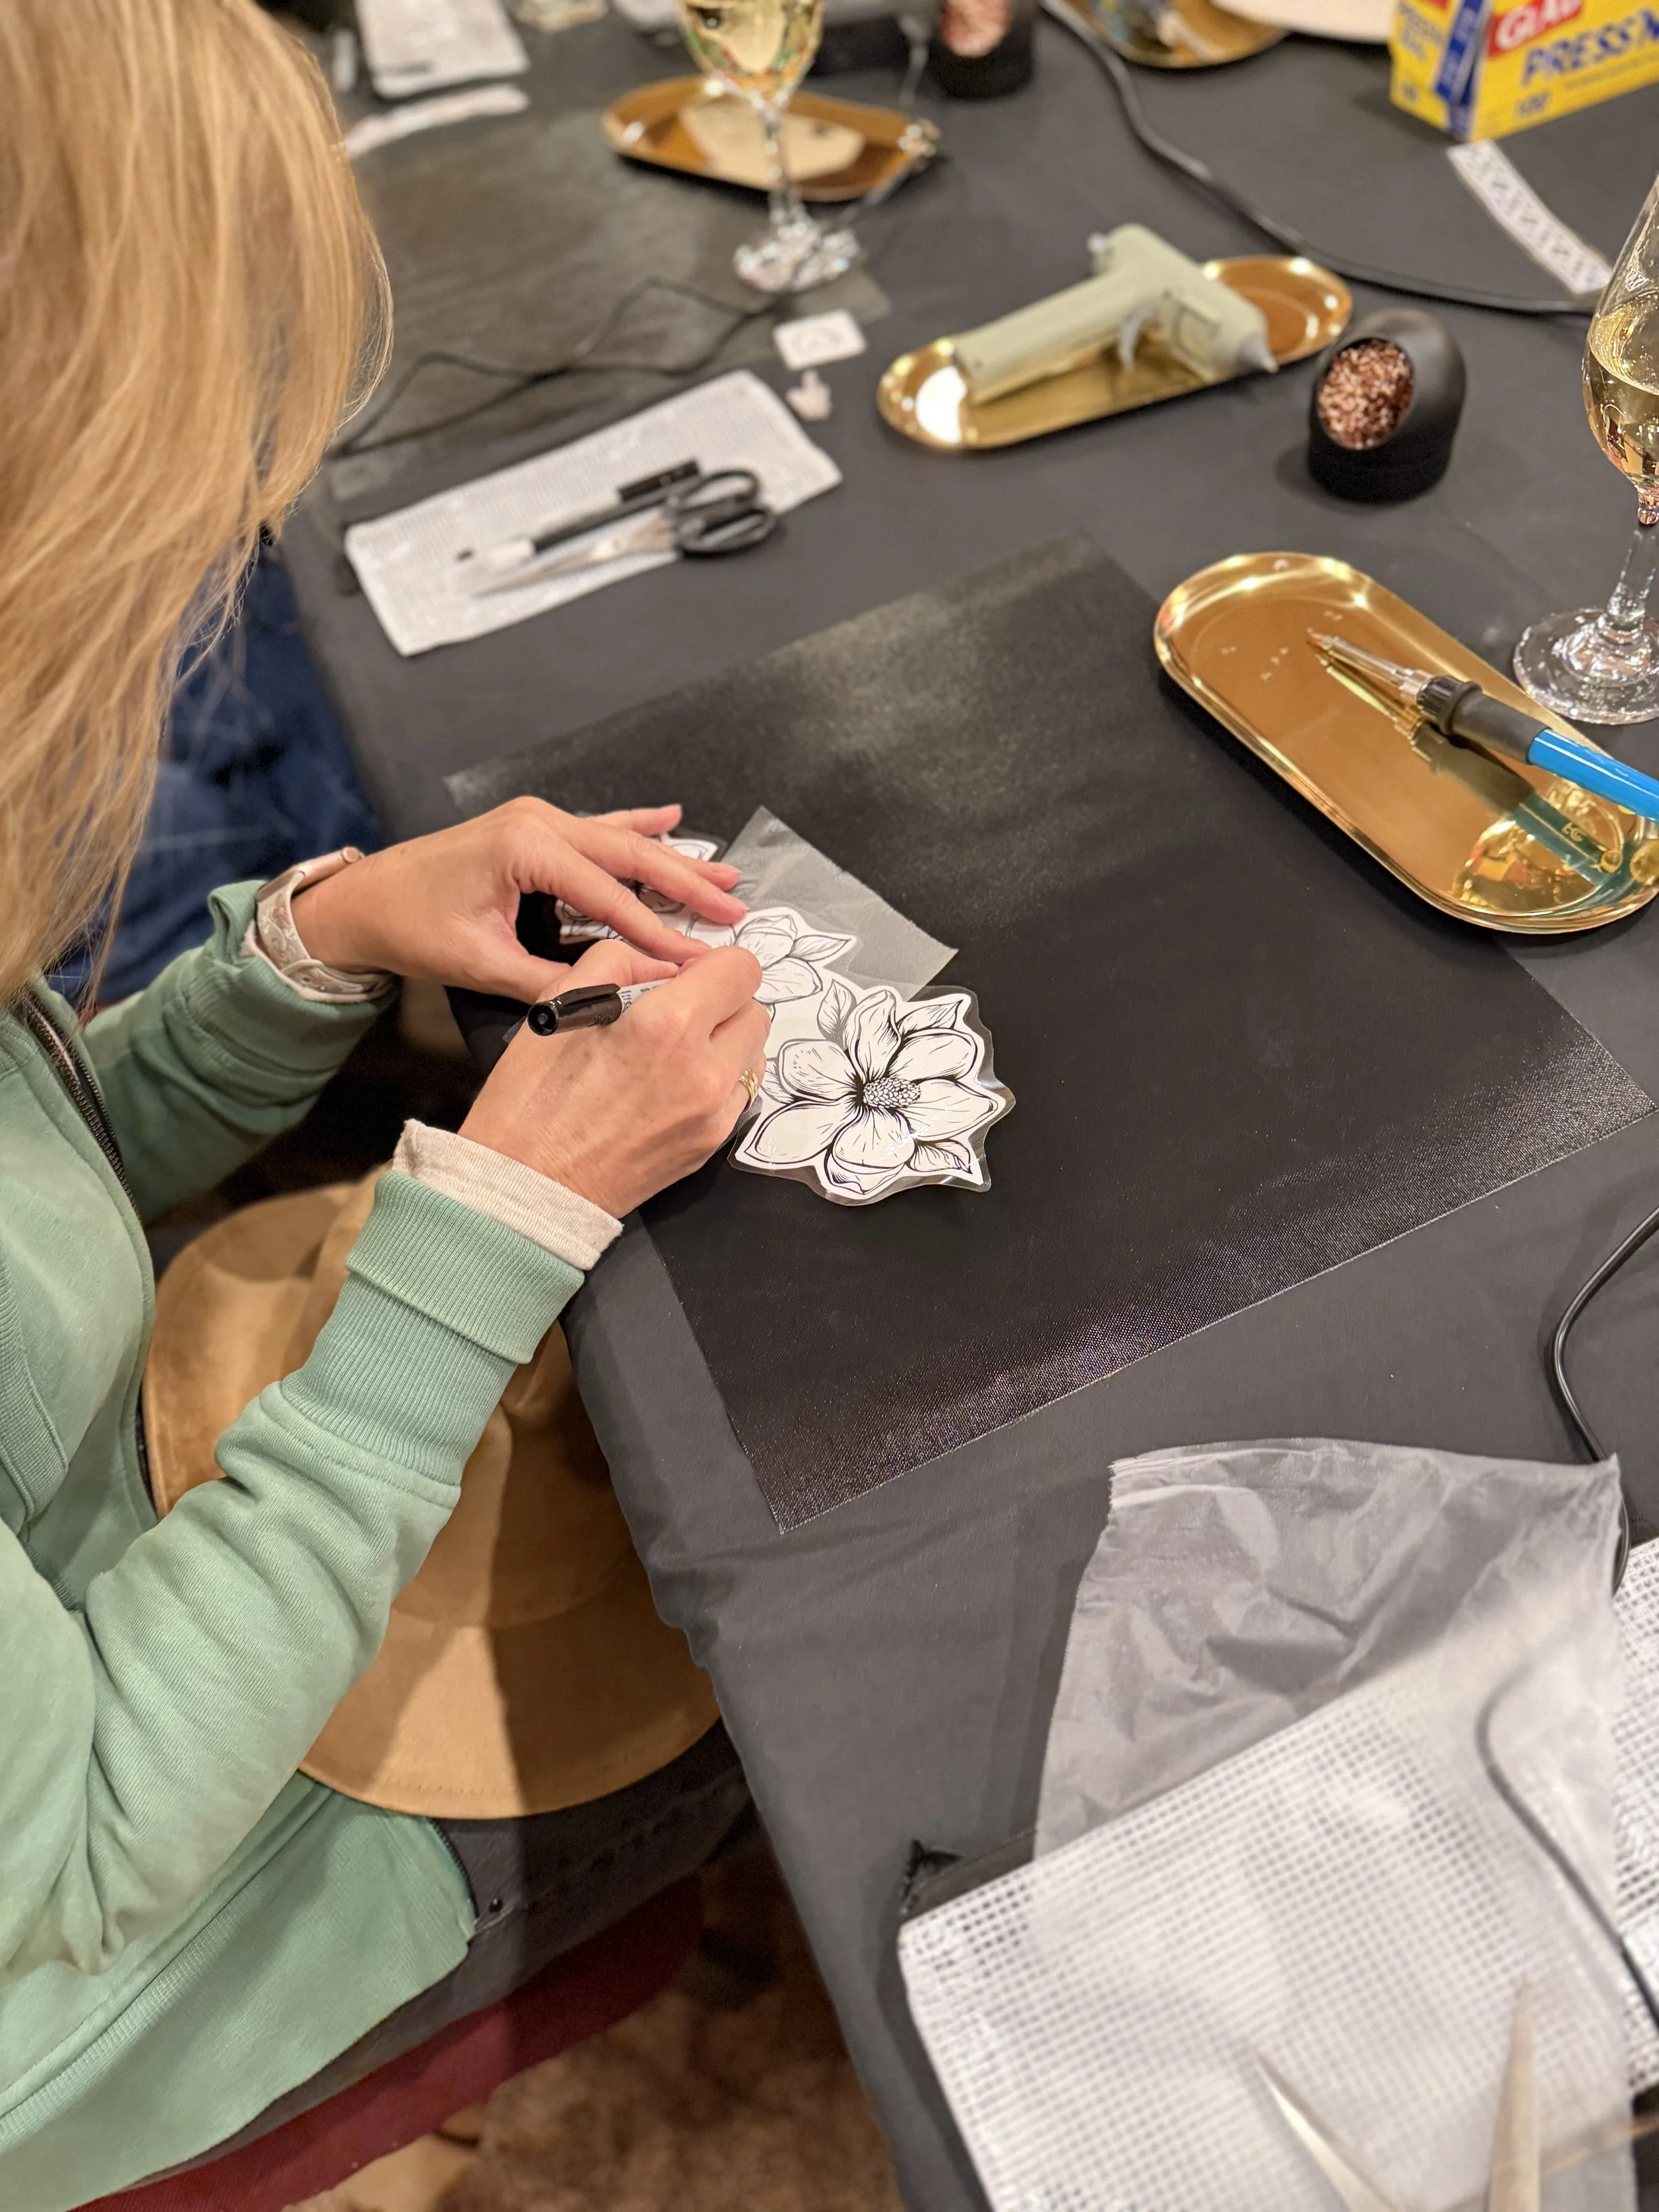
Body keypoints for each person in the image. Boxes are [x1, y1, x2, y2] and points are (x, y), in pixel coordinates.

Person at [0, 4, 772, 2205]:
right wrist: (487, 1238)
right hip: (101, 1934)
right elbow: (79, 1841)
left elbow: (27, 1190)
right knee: (777, 1661)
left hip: (94, 1595)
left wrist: (318, 937)